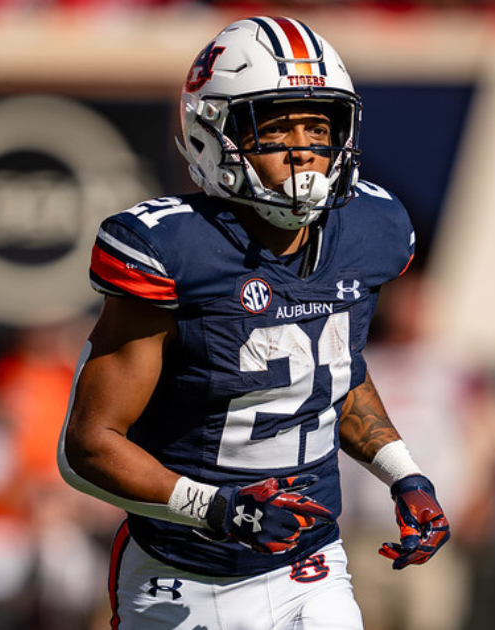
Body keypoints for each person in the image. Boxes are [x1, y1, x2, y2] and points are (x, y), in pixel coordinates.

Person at [57, 16, 451, 630]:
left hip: (308, 569)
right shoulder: (170, 250)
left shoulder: (369, 230)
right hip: (179, 579)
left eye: (318, 127)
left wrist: (404, 473)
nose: (303, 149)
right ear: (212, 134)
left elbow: (333, 373)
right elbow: (88, 447)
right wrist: (218, 508)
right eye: (276, 127)